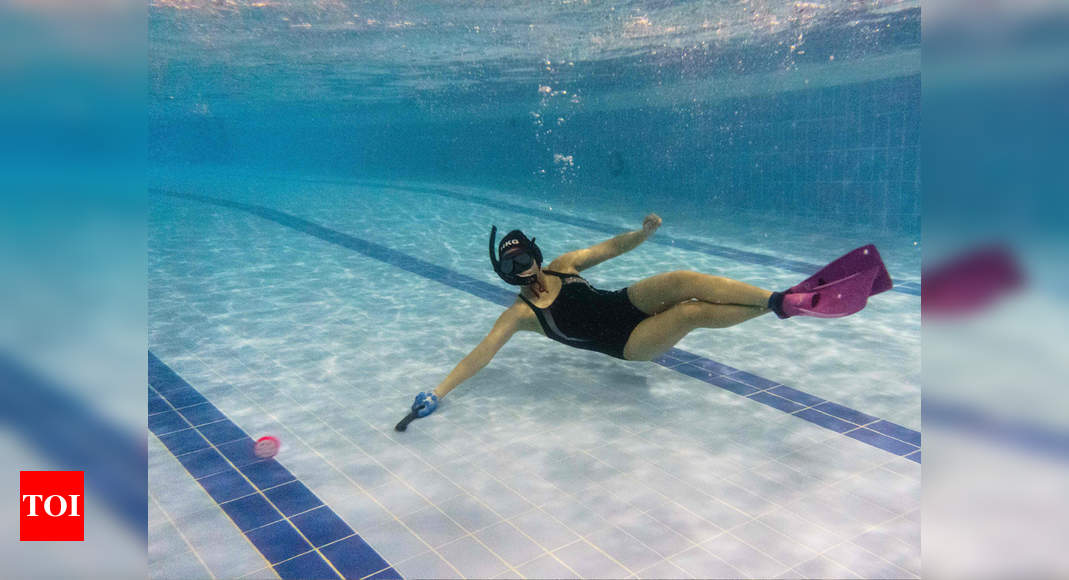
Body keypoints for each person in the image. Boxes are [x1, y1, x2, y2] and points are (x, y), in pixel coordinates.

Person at [405, 215, 890, 421]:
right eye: (511, 266)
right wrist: (438, 391)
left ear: (535, 252)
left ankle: (784, 299)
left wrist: (643, 233)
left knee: (680, 278)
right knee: (690, 312)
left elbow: (611, 248)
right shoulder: (520, 314)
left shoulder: (566, 264)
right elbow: (481, 354)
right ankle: (780, 307)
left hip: (624, 303)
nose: (523, 268)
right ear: (505, 273)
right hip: (627, 342)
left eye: (525, 256)